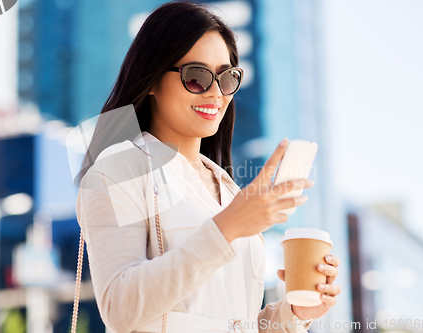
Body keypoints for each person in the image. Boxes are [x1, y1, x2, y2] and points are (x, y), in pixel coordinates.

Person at [76, 1, 341, 333]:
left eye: (227, 77)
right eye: (197, 77)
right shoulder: (118, 171)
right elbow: (120, 308)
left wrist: (294, 314)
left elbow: (230, 323)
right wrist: (227, 226)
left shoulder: (227, 188)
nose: (216, 93)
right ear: (154, 79)